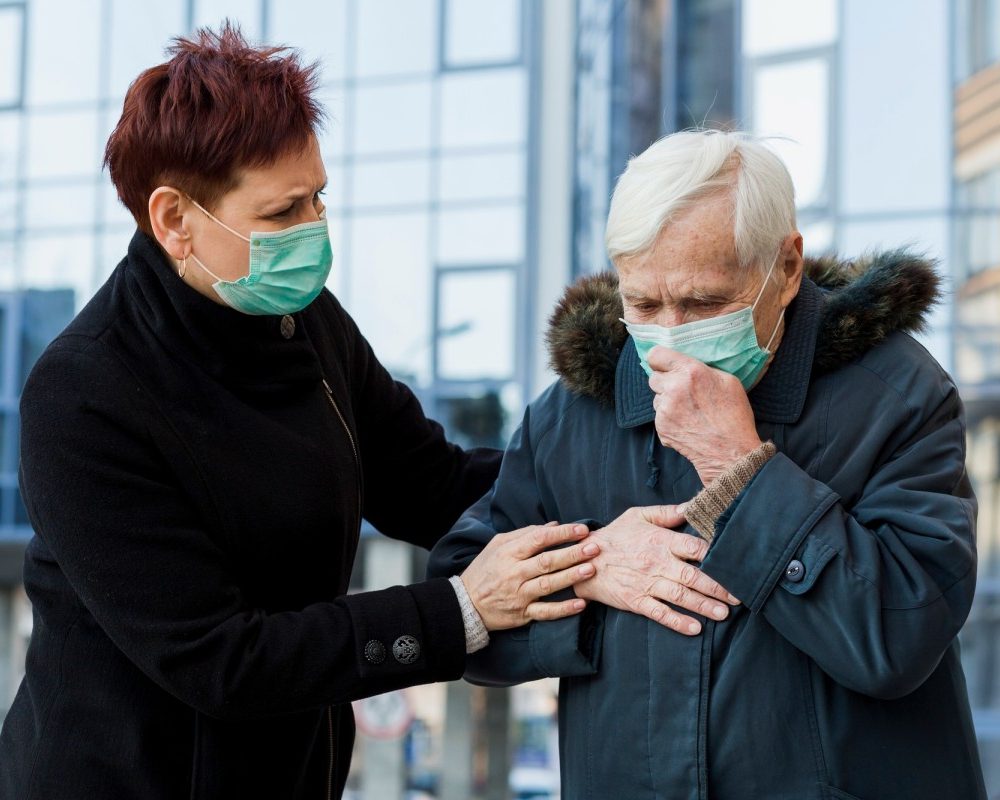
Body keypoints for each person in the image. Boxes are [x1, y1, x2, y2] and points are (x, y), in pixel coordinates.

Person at [0, 26, 605, 800]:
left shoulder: (309, 322)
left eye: (319, 196)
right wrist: (461, 611)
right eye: (284, 212)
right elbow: (221, 659)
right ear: (174, 221)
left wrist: (609, 490)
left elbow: (434, 482)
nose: (315, 229)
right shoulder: (84, 395)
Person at [429, 130, 987, 799]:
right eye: (642, 304)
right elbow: (465, 612)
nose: (669, 334)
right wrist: (589, 570)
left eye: (703, 303)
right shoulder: (572, 412)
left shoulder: (899, 396)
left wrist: (741, 471)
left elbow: (898, 635)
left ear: (785, 269)